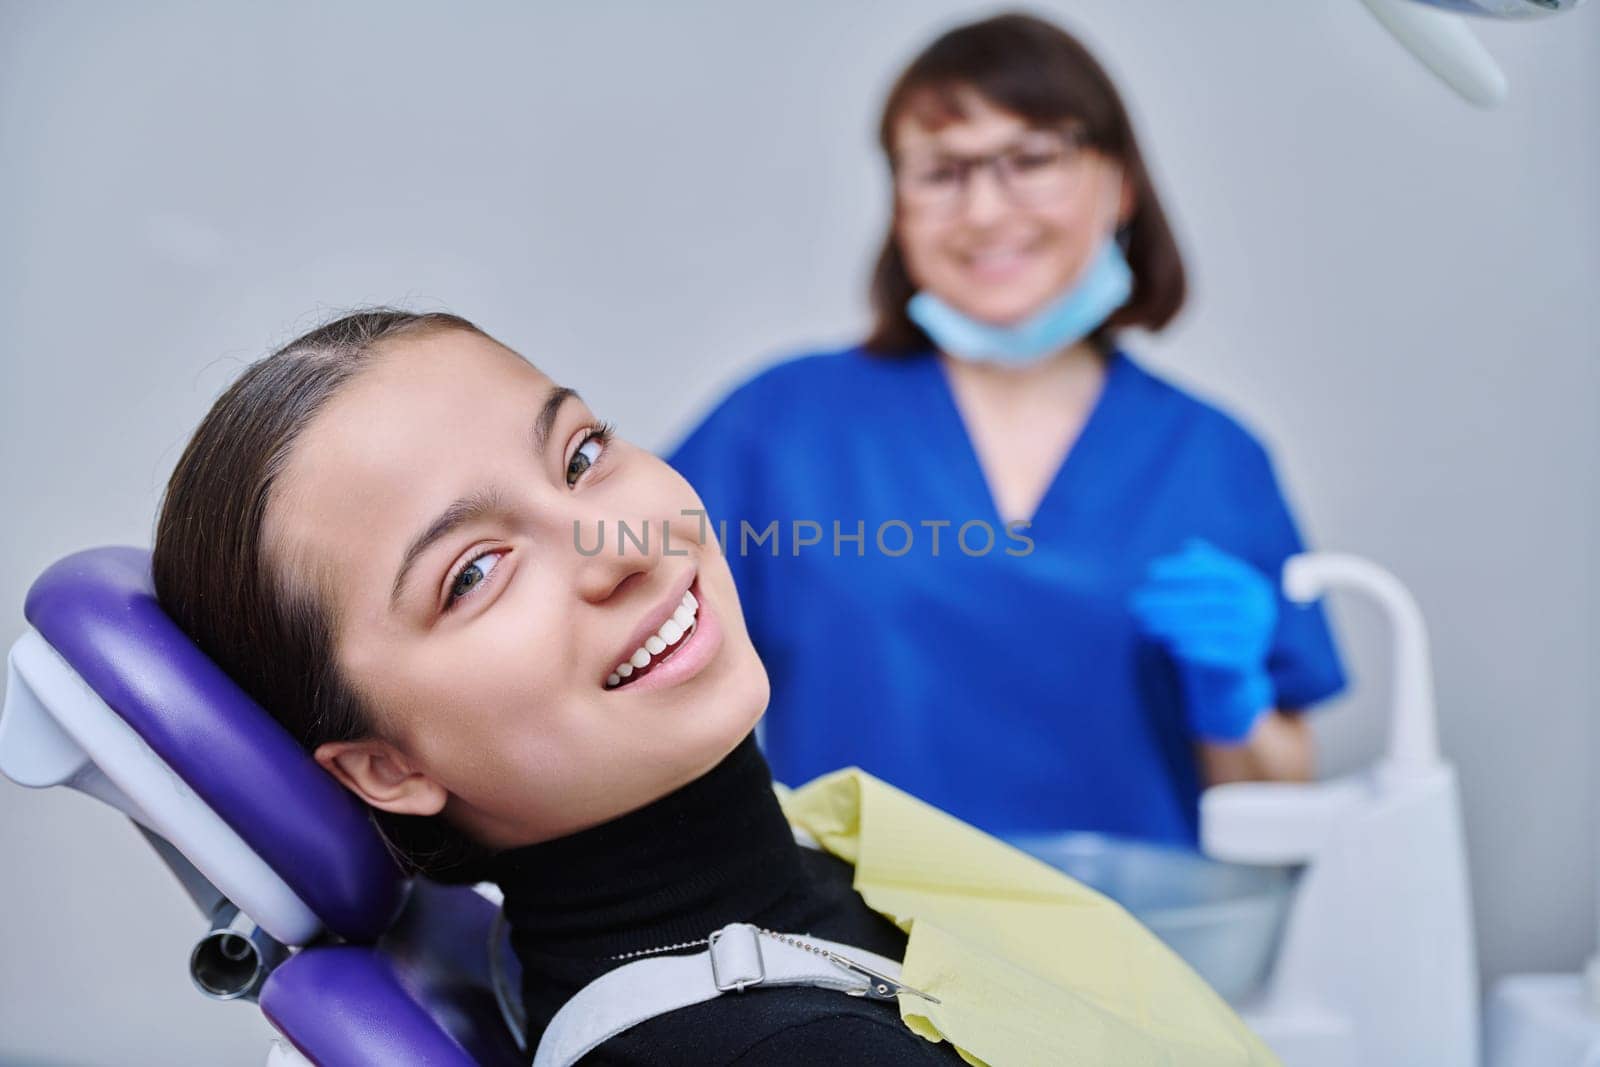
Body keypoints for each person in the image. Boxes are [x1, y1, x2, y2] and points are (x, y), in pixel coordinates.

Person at [149, 310, 1277, 1066]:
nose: (620, 543)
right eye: (475, 572)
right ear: (384, 764)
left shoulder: (809, 861)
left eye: (582, 454)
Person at [667, 13, 1347, 847]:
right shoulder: (777, 428)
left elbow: (1284, 796)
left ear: (1120, 184)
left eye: (1031, 160)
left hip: (1136, 954)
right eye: (941, 172)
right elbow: (618, 653)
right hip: (856, 954)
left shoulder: (1214, 461)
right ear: (897, 205)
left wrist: (1234, 704)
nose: (985, 210)